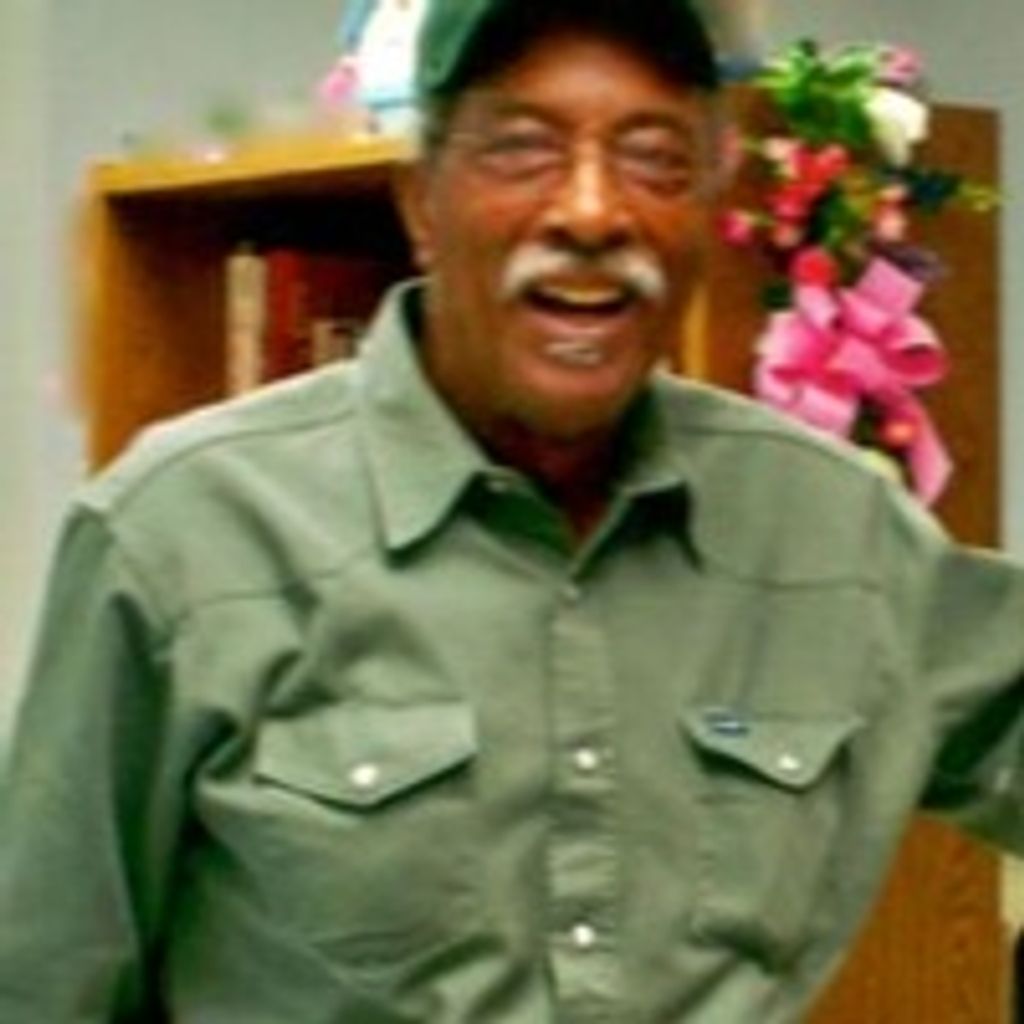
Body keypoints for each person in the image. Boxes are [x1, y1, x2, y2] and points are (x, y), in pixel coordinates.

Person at [1, 1, 1022, 1021]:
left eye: (655, 158)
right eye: (524, 149)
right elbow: (42, 978)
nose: (592, 211)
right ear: (421, 205)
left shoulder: (833, 533)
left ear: (708, 213)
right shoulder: (181, 533)